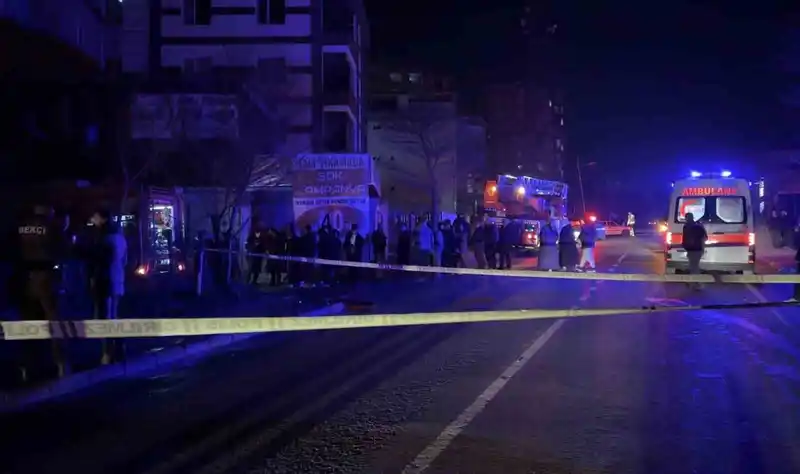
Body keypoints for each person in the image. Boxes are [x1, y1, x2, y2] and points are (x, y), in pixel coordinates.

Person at [14, 204, 69, 381]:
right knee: (53, 322)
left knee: (29, 325)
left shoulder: (21, 227)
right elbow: (63, 250)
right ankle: (60, 363)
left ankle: (27, 366)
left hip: (25, 279)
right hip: (46, 279)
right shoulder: (51, 228)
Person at [682, 212, 707, 288]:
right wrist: (703, 248)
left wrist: (685, 246)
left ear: (687, 218)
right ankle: (694, 282)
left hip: (691, 249)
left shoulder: (686, 226)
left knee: (693, 266)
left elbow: (685, 238)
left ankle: (695, 283)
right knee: (694, 266)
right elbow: (704, 238)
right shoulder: (698, 226)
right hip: (698, 249)